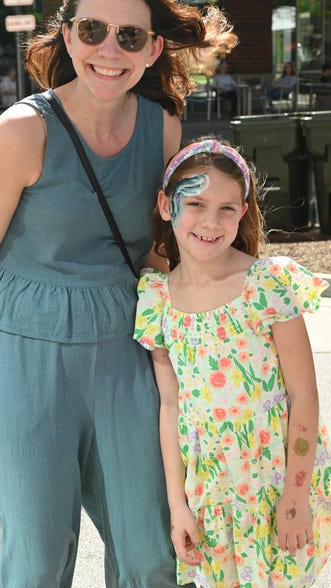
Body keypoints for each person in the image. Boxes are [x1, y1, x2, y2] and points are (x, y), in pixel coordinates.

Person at [0, 0, 237, 587]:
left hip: (126, 352)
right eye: (92, 30)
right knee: (38, 560)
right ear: (67, 35)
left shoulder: (163, 129)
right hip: (21, 356)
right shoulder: (22, 130)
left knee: (152, 553)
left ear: (153, 49)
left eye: (129, 37)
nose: (108, 49)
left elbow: (160, 255)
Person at [134, 138, 331, 587]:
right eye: (196, 203)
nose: (210, 221)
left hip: (276, 480)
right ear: (166, 205)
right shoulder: (157, 299)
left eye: (226, 208)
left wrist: (295, 496)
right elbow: (170, 406)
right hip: (210, 489)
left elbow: (304, 395)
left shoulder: (268, 284)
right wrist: (178, 505)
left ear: (243, 212)